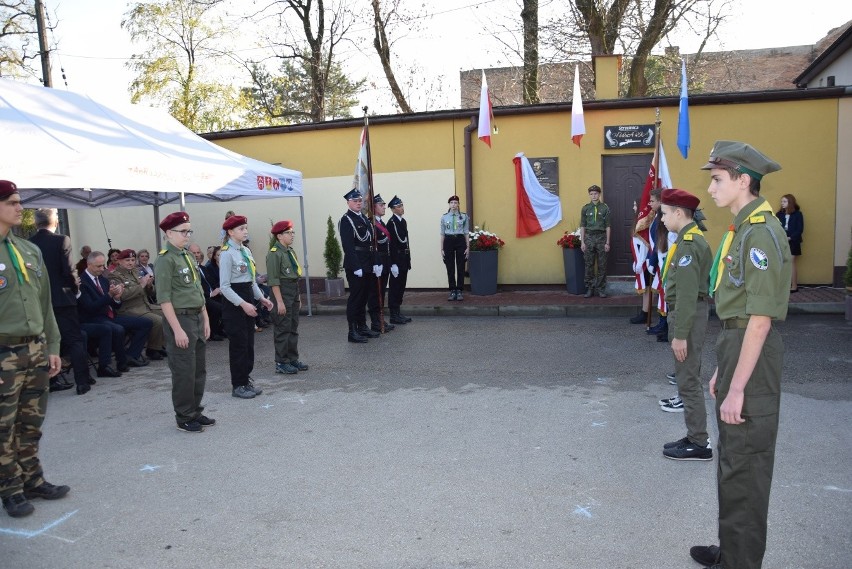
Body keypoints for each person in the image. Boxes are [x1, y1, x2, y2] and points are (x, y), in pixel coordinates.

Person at [689, 141, 791, 569]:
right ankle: (733, 551)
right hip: (736, 346)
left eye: (717, 179)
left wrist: (739, 387)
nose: (710, 189)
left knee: (745, 467)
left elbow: (760, 321)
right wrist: (723, 374)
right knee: (733, 462)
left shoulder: (760, 234)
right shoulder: (744, 229)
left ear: (742, 180)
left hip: (753, 349)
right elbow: (739, 317)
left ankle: (741, 562)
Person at [0, 180, 69, 518]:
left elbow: (45, 305)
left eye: (19, 201)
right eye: (12, 202)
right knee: (3, 426)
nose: (19, 207)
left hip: (36, 349)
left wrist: (52, 345)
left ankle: (33, 480)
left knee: (31, 421)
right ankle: (10, 490)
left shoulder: (29, 251)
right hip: (3, 353)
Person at [654, 189, 712, 461]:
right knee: (687, 378)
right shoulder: (690, 239)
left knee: (688, 380)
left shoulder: (689, 244)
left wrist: (679, 336)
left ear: (679, 213)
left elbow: (688, 295)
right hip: (688, 313)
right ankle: (694, 436)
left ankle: (699, 443)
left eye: (664, 213)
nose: (662, 219)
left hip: (688, 315)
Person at [154, 212, 213, 433]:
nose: (187, 235)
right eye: (183, 231)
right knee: (183, 371)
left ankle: (195, 410)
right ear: (169, 233)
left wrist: (205, 318)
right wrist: (177, 330)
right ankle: (184, 416)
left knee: (198, 369)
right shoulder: (165, 259)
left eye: (189, 230)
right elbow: (164, 299)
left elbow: (198, 289)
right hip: (180, 319)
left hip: (196, 316)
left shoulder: (186, 256)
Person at [29, 208, 93, 394]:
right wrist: (75, 291)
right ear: (55, 222)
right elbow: (69, 270)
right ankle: (82, 381)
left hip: (40, 300)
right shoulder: (61, 240)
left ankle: (53, 379)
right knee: (74, 339)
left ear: (36, 223)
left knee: (47, 340)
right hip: (63, 298)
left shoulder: (29, 244)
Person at [219, 215, 272, 399]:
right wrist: (243, 304)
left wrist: (262, 298)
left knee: (249, 343)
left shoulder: (246, 251)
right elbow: (224, 287)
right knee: (239, 345)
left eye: (245, 228)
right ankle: (238, 385)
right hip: (235, 302)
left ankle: (245, 379)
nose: (245, 231)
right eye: (241, 229)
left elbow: (250, 280)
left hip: (247, 296)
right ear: (231, 232)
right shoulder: (226, 253)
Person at [78, 251, 152, 376]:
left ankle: (131, 356)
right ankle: (109, 365)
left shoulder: (102, 279)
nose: (102, 269)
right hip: (93, 318)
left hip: (110, 316)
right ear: (88, 265)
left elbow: (115, 305)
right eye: (99, 266)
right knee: (115, 329)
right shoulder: (82, 282)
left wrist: (116, 298)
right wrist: (109, 296)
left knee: (145, 323)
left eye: (103, 266)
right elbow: (90, 307)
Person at [109, 249, 167, 361]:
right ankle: (153, 349)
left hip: (145, 306)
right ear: (120, 261)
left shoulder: (136, 272)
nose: (130, 262)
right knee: (158, 320)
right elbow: (122, 295)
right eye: (127, 260)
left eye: (132, 260)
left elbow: (150, 293)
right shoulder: (115, 276)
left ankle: (158, 346)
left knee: (168, 313)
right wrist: (141, 285)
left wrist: (149, 286)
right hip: (129, 310)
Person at [267, 220, 308, 375]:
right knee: (282, 328)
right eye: (288, 233)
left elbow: (294, 277)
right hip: (282, 293)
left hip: (292, 291)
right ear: (279, 236)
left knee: (293, 328)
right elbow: (273, 280)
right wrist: (279, 302)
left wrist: (298, 297)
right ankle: (281, 362)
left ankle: (292, 358)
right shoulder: (274, 254)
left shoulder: (289, 251)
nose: (292, 235)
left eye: (292, 232)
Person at [338, 189, 378, 343]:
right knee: (355, 297)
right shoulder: (346, 220)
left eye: (360, 201)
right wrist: (356, 266)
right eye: (355, 201)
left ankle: (362, 326)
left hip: (367, 263)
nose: (358, 203)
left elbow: (370, 243)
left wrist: (375, 263)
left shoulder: (365, 219)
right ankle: (352, 331)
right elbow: (348, 246)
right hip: (356, 265)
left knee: (364, 297)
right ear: (348, 202)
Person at [367, 194, 394, 333]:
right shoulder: (371, 224)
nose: (384, 207)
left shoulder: (381, 223)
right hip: (377, 263)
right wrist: (376, 263)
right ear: (374, 207)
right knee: (374, 293)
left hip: (385, 262)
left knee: (381, 292)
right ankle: (375, 322)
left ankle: (380, 319)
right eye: (381, 205)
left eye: (384, 205)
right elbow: (372, 246)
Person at [188, 243, 225, 341]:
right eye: (194, 253)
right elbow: (193, 288)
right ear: (188, 253)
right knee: (217, 308)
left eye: (198, 252)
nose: (196, 255)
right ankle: (212, 333)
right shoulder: (189, 270)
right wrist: (210, 294)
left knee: (228, 303)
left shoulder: (204, 268)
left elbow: (212, 282)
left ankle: (221, 329)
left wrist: (218, 289)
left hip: (213, 294)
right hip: (202, 297)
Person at [579, 184, 611, 298]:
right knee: (589, 264)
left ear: (599, 194)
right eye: (591, 194)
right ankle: (589, 288)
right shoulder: (585, 208)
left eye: (595, 193)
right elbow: (582, 226)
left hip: (601, 238)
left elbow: (608, 226)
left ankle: (601, 289)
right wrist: (582, 242)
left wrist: (607, 242)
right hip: (589, 238)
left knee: (602, 265)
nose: (593, 196)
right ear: (589, 195)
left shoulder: (605, 208)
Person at [386, 195, 412, 324]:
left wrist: (408, 260)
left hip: (404, 258)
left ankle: (398, 312)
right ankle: (393, 314)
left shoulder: (402, 221)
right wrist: (393, 263)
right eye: (399, 206)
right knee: (395, 287)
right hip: (397, 259)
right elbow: (392, 245)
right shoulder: (391, 223)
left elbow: (405, 242)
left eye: (402, 205)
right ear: (393, 209)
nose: (402, 208)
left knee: (401, 286)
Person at [440, 195, 469, 301]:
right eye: (451, 202)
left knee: (461, 266)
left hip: (460, 240)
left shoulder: (464, 216)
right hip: (448, 241)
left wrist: (468, 247)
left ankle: (460, 290)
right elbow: (442, 233)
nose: (453, 205)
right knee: (450, 266)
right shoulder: (444, 217)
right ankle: (452, 290)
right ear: (449, 204)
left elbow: (466, 232)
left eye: (455, 202)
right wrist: (441, 248)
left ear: (458, 204)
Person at [776, 194, 803, 292]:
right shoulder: (779, 214)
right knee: (782, 263)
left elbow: (800, 229)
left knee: (791, 262)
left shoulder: (798, 214)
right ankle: (783, 286)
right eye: (781, 201)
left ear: (790, 202)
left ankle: (794, 286)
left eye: (784, 201)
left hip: (793, 241)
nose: (782, 203)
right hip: (782, 241)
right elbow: (776, 227)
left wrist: (790, 237)